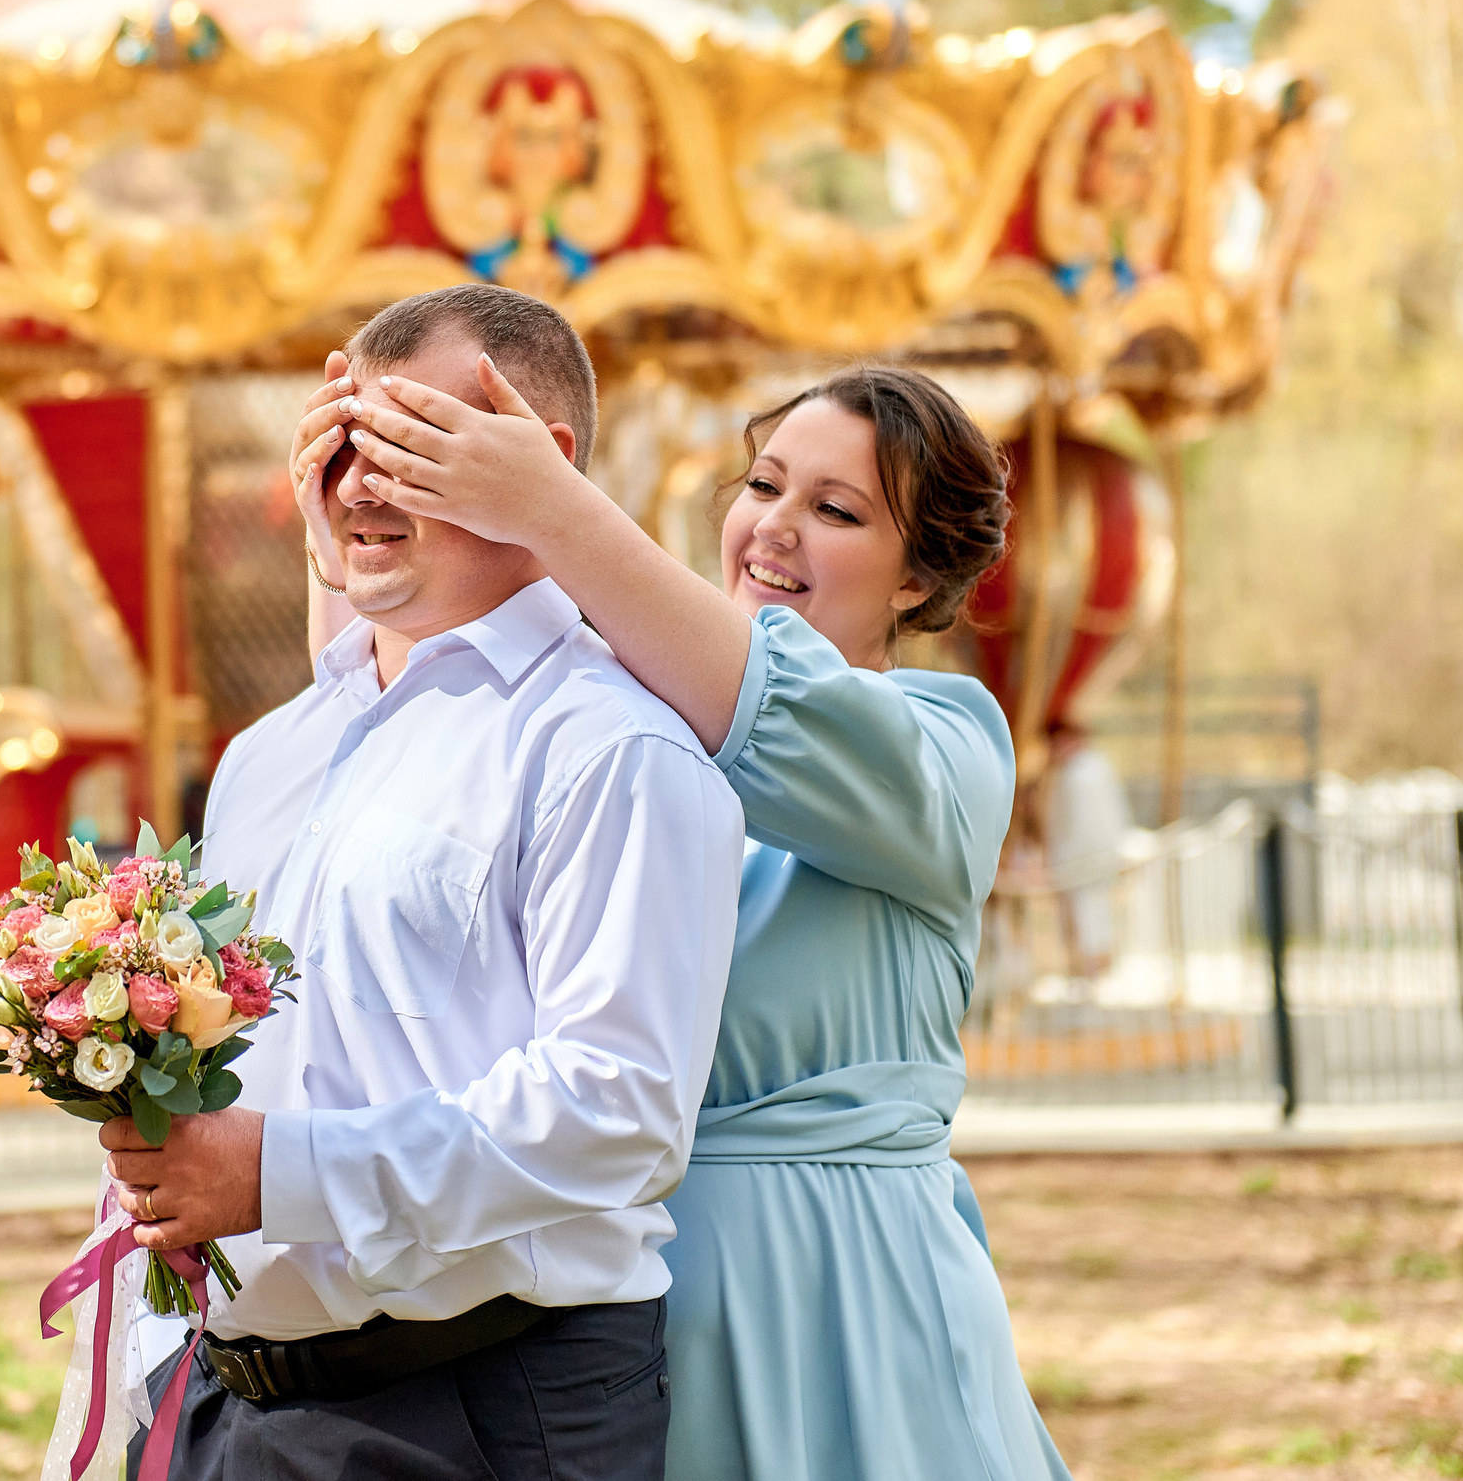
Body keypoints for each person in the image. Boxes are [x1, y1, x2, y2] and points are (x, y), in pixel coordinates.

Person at [303, 349, 1071, 1478]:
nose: (774, 527)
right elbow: (389, 704)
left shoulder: (940, 750)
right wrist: (346, 528)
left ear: (916, 578)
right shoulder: (618, 723)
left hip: (831, 1300)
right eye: (762, 485)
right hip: (598, 1319)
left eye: (836, 509)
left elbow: (758, 699)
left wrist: (551, 506)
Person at [105, 283, 743, 1481]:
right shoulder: (270, 753)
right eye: (340, 441)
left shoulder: (609, 745)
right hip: (220, 1404)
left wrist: (274, 1172)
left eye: (409, 442)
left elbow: (618, 1109)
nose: (354, 483)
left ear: (541, 462)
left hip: (480, 1408)